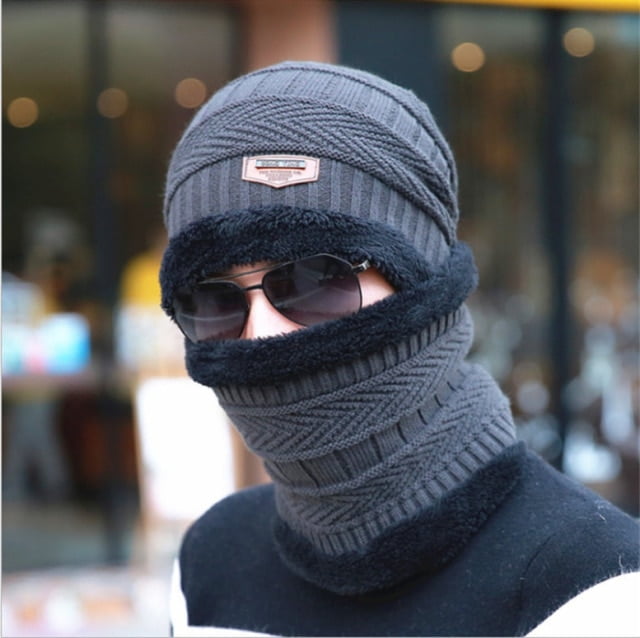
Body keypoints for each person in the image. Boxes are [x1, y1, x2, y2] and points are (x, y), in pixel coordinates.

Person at [159, 61, 639, 636]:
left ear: (424, 283)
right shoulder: (208, 564)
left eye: (314, 280)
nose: (261, 334)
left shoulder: (593, 586)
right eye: (213, 300)